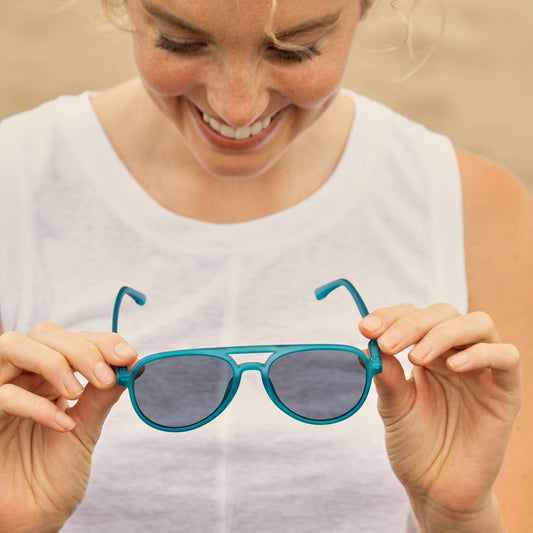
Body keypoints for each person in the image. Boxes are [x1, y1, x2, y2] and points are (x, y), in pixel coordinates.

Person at [0, 0, 531, 531]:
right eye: (181, 43)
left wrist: (459, 515)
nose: (237, 108)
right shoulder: (15, 183)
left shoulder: (477, 210)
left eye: (296, 50)